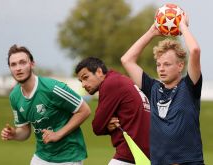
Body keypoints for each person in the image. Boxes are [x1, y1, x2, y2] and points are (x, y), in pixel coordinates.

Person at [120, 13, 204, 165]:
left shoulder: (189, 87)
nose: (161, 69)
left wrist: (182, 26)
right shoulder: (152, 88)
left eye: (167, 64)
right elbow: (127, 60)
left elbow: (195, 51)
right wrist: (152, 32)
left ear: (180, 66)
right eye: (159, 65)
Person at [1, 45, 91, 165]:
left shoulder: (52, 88)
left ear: (32, 64)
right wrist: (15, 134)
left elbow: (84, 110)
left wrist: (58, 134)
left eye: (22, 62)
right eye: (13, 64)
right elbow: (24, 131)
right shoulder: (14, 96)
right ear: (10, 68)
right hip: (41, 156)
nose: (18, 68)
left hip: (68, 156)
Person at [75, 57, 150, 165]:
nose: (83, 84)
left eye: (85, 77)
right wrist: (107, 125)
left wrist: (105, 126)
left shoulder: (110, 83)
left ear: (99, 71)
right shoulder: (120, 79)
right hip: (145, 152)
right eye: (81, 81)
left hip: (131, 153)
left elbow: (97, 127)